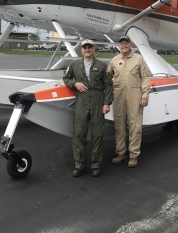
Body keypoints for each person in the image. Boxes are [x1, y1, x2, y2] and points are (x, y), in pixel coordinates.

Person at [63, 39, 113, 177]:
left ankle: (96, 164)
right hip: (81, 99)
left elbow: (108, 85)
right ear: (81, 50)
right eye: (85, 47)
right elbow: (66, 78)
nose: (87, 49)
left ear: (94, 49)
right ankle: (80, 165)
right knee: (79, 133)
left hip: (97, 99)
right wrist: (75, 84)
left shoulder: (102, 65)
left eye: (90, 47)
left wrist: (107, 103)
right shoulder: (74, 64)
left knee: (97, 134)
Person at [108, 35, 150, 168]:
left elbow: (145, 78)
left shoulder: (138, 59)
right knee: (119, 125)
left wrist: (144, 96)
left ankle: (133, 155)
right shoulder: (115, 60)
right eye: (121, 44)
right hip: (119, 95)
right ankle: (121, 153)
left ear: (130, 45)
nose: (124, 45)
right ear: (119, 46)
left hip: (135, 94)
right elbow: (107, 75)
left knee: (135, 126)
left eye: (126, 43)